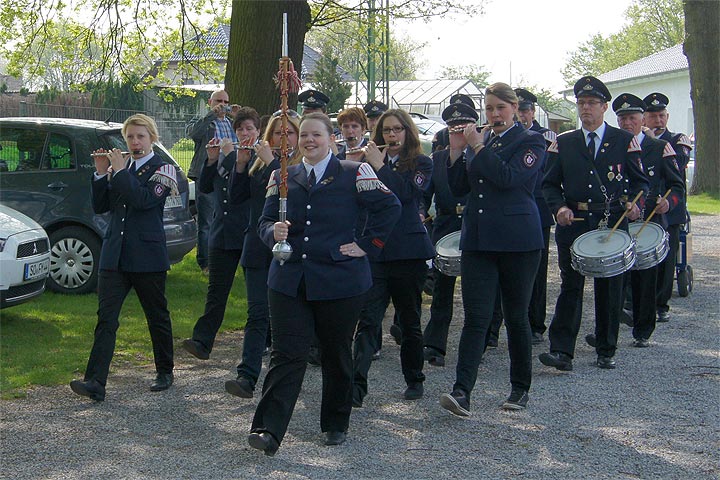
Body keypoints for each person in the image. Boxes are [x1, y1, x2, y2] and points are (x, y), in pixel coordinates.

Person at [247, 113, 400, 455]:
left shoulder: (354, 171)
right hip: (289, 280)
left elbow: (390, 206)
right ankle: (267, 429)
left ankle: (335, 422)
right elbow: (265, 220)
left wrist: (367, 244)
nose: (309, 141)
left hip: (340, 280)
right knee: (287, 354)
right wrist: (273, 232)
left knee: (335, 352)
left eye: (316, 134)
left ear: (332, 138)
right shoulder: (283, 175)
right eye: (304, 135)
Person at [438, 83, 546, 416]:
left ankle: (519, 388)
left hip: (517, 241)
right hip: (479, 240)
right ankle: (462, 391)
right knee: (476, 318)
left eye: (500, 108)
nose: (494, 114)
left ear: (514, 108)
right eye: (489, 109)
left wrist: (478, 148)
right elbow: (458, 189)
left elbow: (509, 178)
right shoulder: (479, 142)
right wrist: (457, 152)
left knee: (516, 317)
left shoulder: (531, 141)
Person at [539, 76, 649, 372]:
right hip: (574, 221)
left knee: (610, 286)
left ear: (604, 107)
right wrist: (558, 207)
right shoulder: (563, 143)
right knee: (571, 285)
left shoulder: (624, 141)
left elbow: (641, 182)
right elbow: (548, 185)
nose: (585, 108)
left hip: (610, 221)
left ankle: (606, 348)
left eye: (591, 103)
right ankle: (562, 351)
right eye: (581, 103)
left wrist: (636, 204)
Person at [70, 114, 179, 401]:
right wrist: (99, 173)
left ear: (152, 138)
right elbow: (102, 206)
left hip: (147, 255)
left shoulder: (163, 168)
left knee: (156, 315)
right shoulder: (123, 166)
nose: (134, 142)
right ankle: (95, 382)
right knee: (106, 318)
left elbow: (144, 201)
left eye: (140, 136)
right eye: (130, 137)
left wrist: (119, 173)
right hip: (115, 254)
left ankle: (164, 370)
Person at [352, 108, 434, 407]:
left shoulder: (422, 163)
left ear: (408, 132)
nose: (392, 135)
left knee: (409, 321)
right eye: (387, 131)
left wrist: (381, 166)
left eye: (398, 130)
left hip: (409, 252)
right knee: (368, 319)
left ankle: (414, 379)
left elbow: (405, 195)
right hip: (376, 251)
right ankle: (356, 386)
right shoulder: (368, 162)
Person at [224, 114, 302, 398]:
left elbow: (290, 198)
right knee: (257, 313)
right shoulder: (259, 165)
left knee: (286, 316)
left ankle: (286, 375)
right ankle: (247, 376)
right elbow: (236, 198)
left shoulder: (301, 167)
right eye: (278, 134)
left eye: (290, 133)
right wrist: (242, 164)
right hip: (257, 246)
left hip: (290, 249)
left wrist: (272, 162)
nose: (284, 139)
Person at [181, 108, 258, 361]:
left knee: (257, 294)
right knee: (216, 292)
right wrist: (211, 160)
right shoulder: (225, 153)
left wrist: (229, 157)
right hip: (222, 233)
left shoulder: (261, 157)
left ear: (258, 132)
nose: (244, 134)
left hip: (249, 234)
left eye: (249, 129)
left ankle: (264, 340)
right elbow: (204, 187)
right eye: (240, 129)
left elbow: (245, 186)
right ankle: (203, 341)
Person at [610, 93, 684, 346]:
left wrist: (667, 202)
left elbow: (677, 185)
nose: (627, 123)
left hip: (650, 221)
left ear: (642, 120)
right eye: (622, 119)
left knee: (645, 278)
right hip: (619, 220)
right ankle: (606, 333)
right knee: (615, 278)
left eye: (632, 118)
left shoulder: (658, 147)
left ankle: (643, 329)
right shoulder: (612, 146)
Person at [422, 103, 475, 367]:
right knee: (442, 289)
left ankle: (482, 337)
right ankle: (434, 344)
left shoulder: (480, 155)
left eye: (463, 128)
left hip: (474, 227)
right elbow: (424, 193)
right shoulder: (438, 159)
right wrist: (420, 211)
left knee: (476, 289)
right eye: (453, 128)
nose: (458, 133)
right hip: (444, 227)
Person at [642, 92, 693, 323]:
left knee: (666, 258)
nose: (658, 120)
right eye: (653, 116)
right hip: (644, 208)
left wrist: (654, 141)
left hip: (669, 209)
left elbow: (680, 165)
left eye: (661, 115)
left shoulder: (678, 140)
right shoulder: (635, 140)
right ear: (644, 118)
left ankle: (661, 304)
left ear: (667, 116)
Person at [515, 88, 557, 344]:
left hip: (537, 209)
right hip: (511, 211)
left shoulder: (545, 136)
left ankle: (535, 324)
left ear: (532, 111)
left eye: (525, 110)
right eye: (518, 110)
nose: (522, 115)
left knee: (537, 271)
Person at [186, 89, 239, 275]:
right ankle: (206, 263)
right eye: (219, 100)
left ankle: (225, 256)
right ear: (210, 101)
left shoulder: (232, 123)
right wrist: (212, 115)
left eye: (226, 101)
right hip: (208, 175)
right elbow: (193, 134)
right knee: (207, 220)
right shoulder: (204, 122)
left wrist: (238, 117)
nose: (222, 104)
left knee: (227, 218)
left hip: (229, 175)